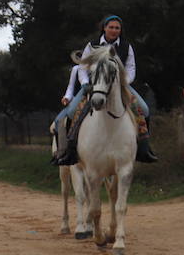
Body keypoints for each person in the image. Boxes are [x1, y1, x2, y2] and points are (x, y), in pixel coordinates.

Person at [52, 14, 158, 166]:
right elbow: (82, 67)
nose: (114, 30)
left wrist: (123, 82)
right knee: (70, 112)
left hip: (120, 85)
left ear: (121, 30)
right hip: (95, 86)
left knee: (145, 110)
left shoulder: (127, 47)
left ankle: (143, 148)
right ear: (104, 28)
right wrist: (85, 83)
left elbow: (131, 68)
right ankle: (69, 151)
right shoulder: (92, 45)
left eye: (117, 28)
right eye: (111, 27)